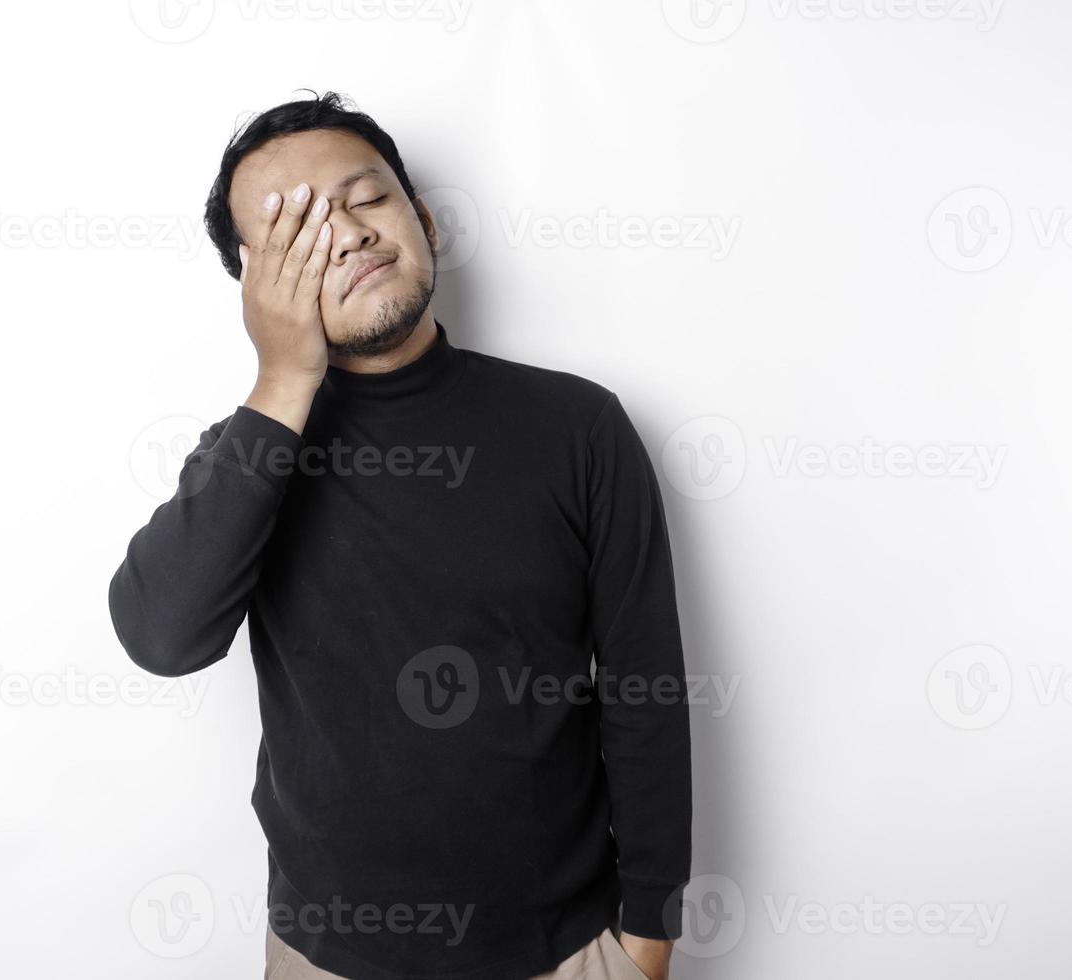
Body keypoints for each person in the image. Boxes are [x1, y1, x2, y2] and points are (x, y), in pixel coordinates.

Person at [109, 91, 692, 980]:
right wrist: (282, 381)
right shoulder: (248, 458)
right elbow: (162, 637)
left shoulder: (579, 426)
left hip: (567, 949)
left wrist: (648, 935)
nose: (344, 233)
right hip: (324, 955)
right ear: (256, 289)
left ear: (420, 218)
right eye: (296, 233)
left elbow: (644, 688)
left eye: (366, 197)